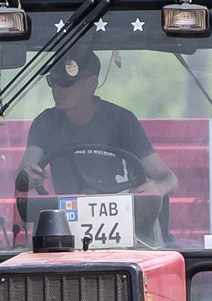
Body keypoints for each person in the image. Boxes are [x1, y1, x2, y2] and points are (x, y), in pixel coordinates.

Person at [17, 45, 178, 198]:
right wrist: (27, 176)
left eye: (66, 82)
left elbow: (169, 179)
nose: (56, 88)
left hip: (122, 219)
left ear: (91, 83)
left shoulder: (122, 121)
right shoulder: (45, 123)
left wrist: (159, 188)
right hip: (64, 219)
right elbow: (23, 174)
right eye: (52, 81)